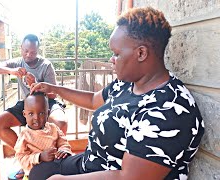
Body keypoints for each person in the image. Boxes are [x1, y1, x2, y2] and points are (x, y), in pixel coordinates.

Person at [29, 7, 204, 180]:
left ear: (141, 53)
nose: (111, 60)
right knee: (38, 172)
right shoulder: (127, 83)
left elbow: (128, 177)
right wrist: (55, 89)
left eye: (116, 54)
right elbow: (92, 100)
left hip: (111, 174)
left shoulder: (170, 110)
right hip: (90, 163)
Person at [0, 34, 68, 155]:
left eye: (33, 52)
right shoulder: (17, 62)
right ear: (21, 48)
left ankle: (53, 157)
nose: (29, 55)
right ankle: (26, 155)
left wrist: (37, 84)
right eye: (26, 51)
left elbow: (52, 95)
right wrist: (11, 71)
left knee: (61, 122)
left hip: (47, 103)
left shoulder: (46, 65)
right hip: (27, 104)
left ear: (37, 51)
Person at [13, 92, 72, 179]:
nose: (36, 117)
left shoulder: (53, 128)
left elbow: (63, 143)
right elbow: (21, 158)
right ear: (24, 114)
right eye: (31, 114)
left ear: (47, 113)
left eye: (41, 113)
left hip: (56, 167)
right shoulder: (24, 136)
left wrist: (63, 150)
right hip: (36, 172)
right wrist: (39, 157)